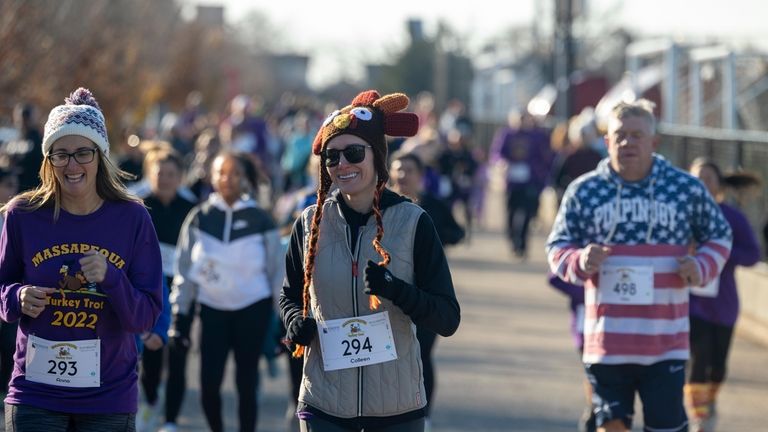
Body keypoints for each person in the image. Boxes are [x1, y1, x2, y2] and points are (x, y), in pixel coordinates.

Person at [546, 99, 732, 432]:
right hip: (606, 343)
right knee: (610, 427)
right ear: (607, 142)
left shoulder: (685, 189)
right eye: (619, 135)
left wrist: (701, 266)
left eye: (636, 135)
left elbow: (719, 236)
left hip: (665, 343)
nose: (627, 142)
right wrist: (579, 259)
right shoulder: (583, 191)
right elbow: (557, 247)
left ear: (654, 142)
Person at [279, 90, 461, 432]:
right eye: (332, 157)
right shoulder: (308, 224)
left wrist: (394, 289)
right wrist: (293, 321)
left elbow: (448, 318)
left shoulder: (414, 223)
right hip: (324, 404)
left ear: (377, 157)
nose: (342, 164)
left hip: (396, 409)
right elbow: (288, 295)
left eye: (353, 153)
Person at [0, 87, 163, 431]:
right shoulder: (22, 215)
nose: (72, 165)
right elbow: (2, 287)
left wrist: (112, 278)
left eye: (82, 153)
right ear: (48, 160)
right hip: (35, 394)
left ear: (100, 156)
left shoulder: (132, 218)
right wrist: (16, 296)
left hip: (107, 396)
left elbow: (145, 315)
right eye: (60, 154)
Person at [171, 151, 282, 432]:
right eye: (222, 173)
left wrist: (282, 318)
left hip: (252, 309)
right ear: (212, 177)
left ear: (244, 178)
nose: (228, 179)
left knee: (247, 383)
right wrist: (180, 316)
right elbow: (184, 270)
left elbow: (276, 272)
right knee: (209, 383)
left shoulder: (260, 218)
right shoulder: (199, 217)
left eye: (234, 173)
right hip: (212, 310)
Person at [389, 151, 464, 429]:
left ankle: (425, 414)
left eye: (408, 170)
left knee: (421, 355)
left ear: (421, 176)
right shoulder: (379, 207)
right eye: (397, 169)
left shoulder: (432, 206)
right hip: (390, 296)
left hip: (426, 296)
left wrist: (430, 238)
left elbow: (458, 233)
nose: (402, 175)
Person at [685, 159, 761, 432]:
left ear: (719, 184)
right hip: (691, 303)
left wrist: (721, 254)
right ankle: (699, 418)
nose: (702, 183)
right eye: (696, 178)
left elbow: (753, 254)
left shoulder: (732, 217)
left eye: (708, 177)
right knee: (698, 360)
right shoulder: (682, 215)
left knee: (717, 367)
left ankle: (709, 402)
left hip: (723, 303)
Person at [134, 148, 196, 432]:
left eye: (172, 174)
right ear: (150, 174)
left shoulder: (191, 209)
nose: (166, 179)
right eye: (160, 173)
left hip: (180, 290)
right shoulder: (139, 207)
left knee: (178, 354)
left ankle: (170, 420)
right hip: (148, 291)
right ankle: (150, 400)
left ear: (180, 177)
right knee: (152, 351)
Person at [491, 110, 553, 260]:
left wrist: (541, 173)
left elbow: (544, 156)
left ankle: (522, 245)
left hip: (529, 180)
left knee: (526, 213)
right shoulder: (506, 134)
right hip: (512, 181)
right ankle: (513, 240)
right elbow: (497, 153)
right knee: (511, 212)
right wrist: (502, 163)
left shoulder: (535, 136)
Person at [0, 166, 19, 401]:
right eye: (7, 185)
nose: (13, 191)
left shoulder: (18, 217)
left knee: (9, 345)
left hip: (9, 294)